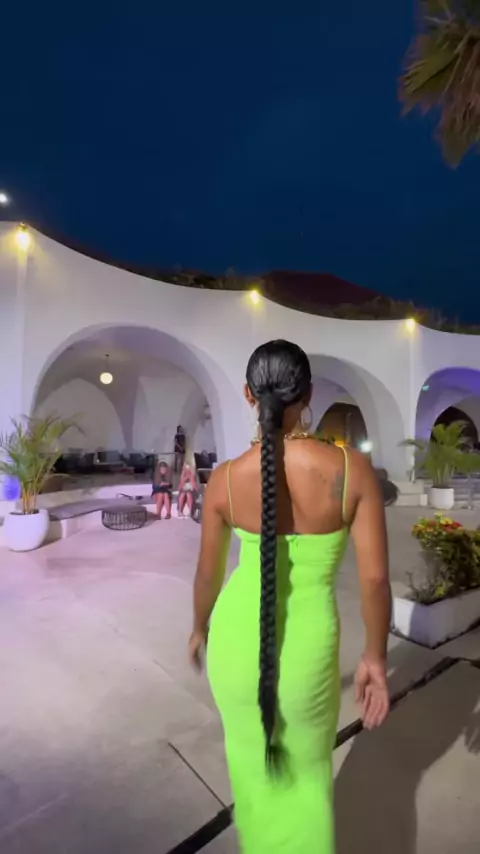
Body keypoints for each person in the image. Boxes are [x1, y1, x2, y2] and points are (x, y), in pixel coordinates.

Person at [189, 340, 391, 853]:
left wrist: (198, 626)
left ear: (248, 395)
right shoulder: (350, 470)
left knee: (254, 782)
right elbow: (374, 581)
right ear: (309, 395)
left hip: (234, 650)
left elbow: (207, 573)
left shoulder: (225, 479)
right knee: (305, 788)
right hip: (307, 654)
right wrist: (374, 657)